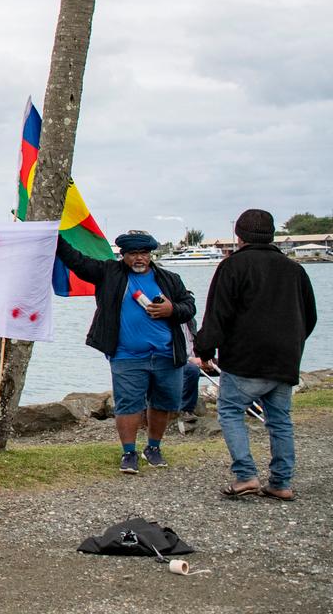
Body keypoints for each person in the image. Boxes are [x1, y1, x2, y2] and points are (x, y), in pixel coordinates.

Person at [194, 209, 318, 501]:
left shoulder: (233, 266)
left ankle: (246, 474)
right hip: (285, 358)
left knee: (230, 411)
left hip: (245, 357)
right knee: (280, 420)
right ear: (272, 235)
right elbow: (309, 315)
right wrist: (294, 343)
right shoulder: (294, 269)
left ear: (239, 236)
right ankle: (281, 482)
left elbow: (218, 314)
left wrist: (204, 349)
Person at [55, 230, 196, 474]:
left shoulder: (170, 278)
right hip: (126, 355)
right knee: (128, 405)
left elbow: (189, 305)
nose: (139, 259)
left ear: (151, 254)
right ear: (123, 255)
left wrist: (171, 310)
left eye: (144, 253)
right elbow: (76, 260)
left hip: (166, 354)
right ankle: (129, 453)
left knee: (162, 404)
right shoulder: (109, 273)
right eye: (133, 254)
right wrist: (54, 236)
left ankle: (153, 448)